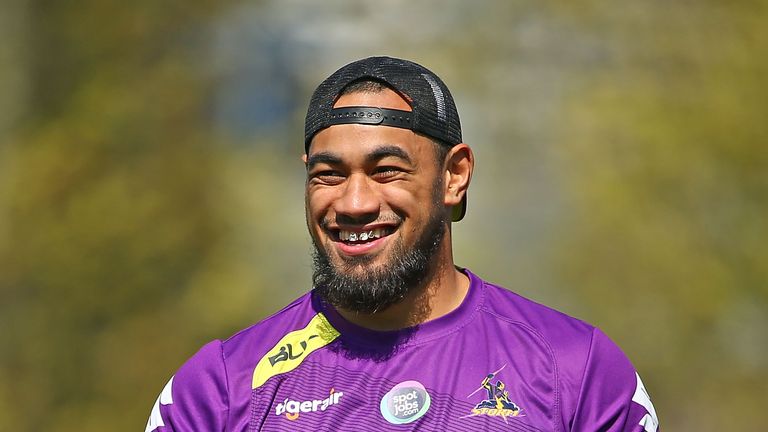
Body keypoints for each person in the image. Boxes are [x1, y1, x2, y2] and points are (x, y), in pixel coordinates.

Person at [145, 56, 660, 431]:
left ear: (454, 176)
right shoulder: (220, 388)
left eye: (387, 171)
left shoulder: (575, 368)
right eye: (329, 175)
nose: (353, 202)